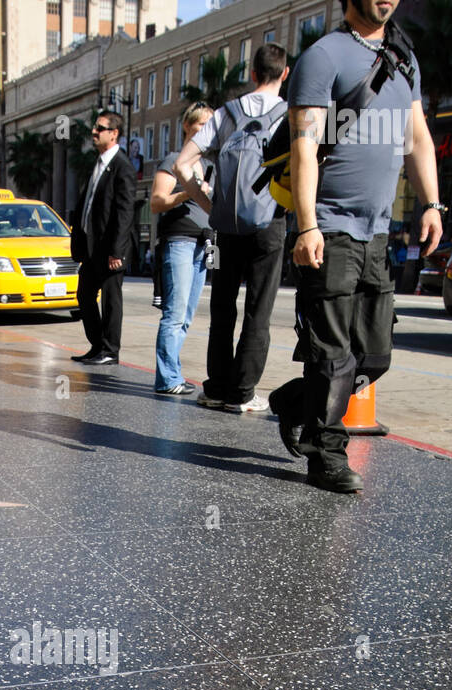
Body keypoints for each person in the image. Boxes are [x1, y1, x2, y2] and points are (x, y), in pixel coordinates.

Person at [268, 0, 442, 492]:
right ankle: (325, 455)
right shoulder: (324, 57)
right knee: (334, 355)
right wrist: (307, 227)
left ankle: (295, 403)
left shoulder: (404, 58)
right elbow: (304, 146)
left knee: (374, 356)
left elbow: (419, 139)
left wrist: (432, 204)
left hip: (378, 230)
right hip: (330, 226)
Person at [175, 44, 289, 413]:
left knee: (222, 307)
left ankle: (216, 387)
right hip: (269, 226)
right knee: (259, 309)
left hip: (225, 230)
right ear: (284, 74)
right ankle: (241, 394)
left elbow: (182, 165)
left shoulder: (225, 114)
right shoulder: (292, 114)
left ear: (253, 74)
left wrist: (212, 207)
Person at [152, 101, 213, 395]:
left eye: (209, 124)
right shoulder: (175, 160)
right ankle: (167, 378)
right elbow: (156, 202)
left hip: (204, 243)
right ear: (187, 126)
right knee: (174, 313)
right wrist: (185, 193)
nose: (205, 130)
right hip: (179, 240)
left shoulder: (210, 165)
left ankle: (173, 373)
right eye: (200, 124)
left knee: (187, 316)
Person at [70, 110, 136, 366]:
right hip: (90, 248)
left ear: (114, 133)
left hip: (110, 250)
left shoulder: (123, 167)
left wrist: (117, 252)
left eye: (100, 128)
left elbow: (124, 212)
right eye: (94, 128)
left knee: (110, 300)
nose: (94, 132)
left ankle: (110, 350)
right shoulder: (97, 164)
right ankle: (97, 345)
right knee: (84, 295)